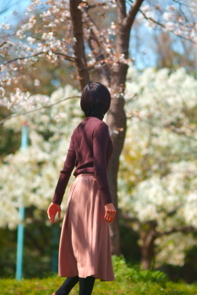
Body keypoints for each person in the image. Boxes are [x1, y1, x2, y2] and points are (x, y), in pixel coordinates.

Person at [47, 82, 117, 295]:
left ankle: (60, 293)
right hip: (92, 190)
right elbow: (99, 167)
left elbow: (66, 168)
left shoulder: (79, 128)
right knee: (90, 252)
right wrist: (108, 201)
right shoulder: (101, 127)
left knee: (85, 252)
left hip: (77, 190)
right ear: (105, 103)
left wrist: (56, 200)